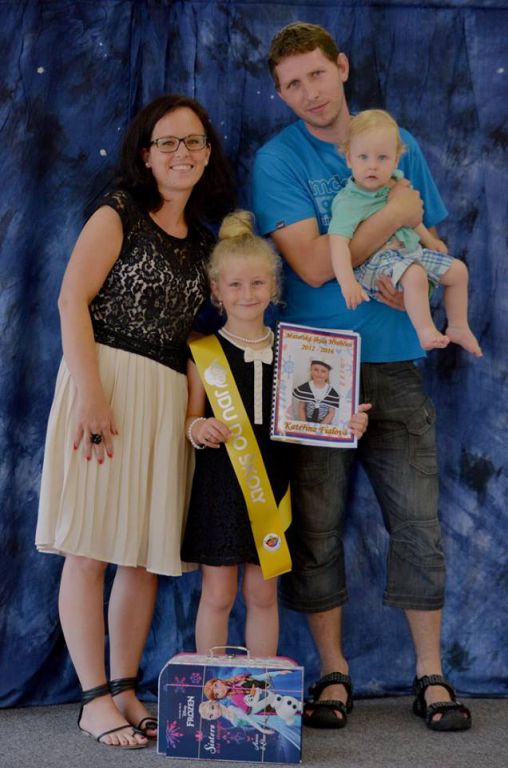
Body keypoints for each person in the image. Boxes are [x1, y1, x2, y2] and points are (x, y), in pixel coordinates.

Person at [252, 21, 472, 732]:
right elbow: (314, 266)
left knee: (417, 521)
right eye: (292, 85)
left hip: (396, 357)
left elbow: (432, 238)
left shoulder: (394, 139)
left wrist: (418, 269)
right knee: (316, 525)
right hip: (316, 363)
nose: (309, 93)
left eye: (317, 74)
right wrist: (396, 213)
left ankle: (430, 672)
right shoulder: (278, 159)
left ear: (342, 68)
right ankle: (333, 672)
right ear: (281, 94)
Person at [35, 94, 235, 748]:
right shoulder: (117, 213)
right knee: (91, 548)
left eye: (194, 141)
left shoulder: (205, 244)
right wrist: (91, 395)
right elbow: (71, 300)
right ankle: (92, 697)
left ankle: (124, 685)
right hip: (106, 386)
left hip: (166, 399)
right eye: (168, 142)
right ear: (146, 155)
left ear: (207, 153)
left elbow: (216, 333)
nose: (183, 153)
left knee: (143, 556)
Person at [180, 210, 372, 658]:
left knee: (263, 595)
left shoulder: (298, 353)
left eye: (257, 283)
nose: (247, 294)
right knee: (218, 594)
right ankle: (213, 684)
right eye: (235, 285)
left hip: (275, 486)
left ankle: (261, 686)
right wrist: (200, 428)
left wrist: (347, 423)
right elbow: (189, 419)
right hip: (219, 487)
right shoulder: (202, 353)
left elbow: (317, 418)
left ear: (274, 287)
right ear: (216, 290)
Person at [329, 109, 481, 355]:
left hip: (406, 253)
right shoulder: (349, 201)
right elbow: (337, 243)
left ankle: (458, 326)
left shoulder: (396, 183)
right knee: (415, 275)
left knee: (458, 271)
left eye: (382, 158)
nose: (372, 166)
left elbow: (410, 219)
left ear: (396, 161)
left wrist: (430, 240)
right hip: (374, 265)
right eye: (363, 157)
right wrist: (347, 282)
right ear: (349, 159)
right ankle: (425, 331)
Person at [292, 359, 340, 424]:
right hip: (306, 421)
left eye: (323, 371)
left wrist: (321, 427)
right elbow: (301, 407)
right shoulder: (305, 388)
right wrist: (304, 424)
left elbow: (331, 412)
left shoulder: (331, 392)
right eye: (316, 370)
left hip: (325, 422)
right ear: (311, 371)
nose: (319, 373)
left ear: (327, 374)